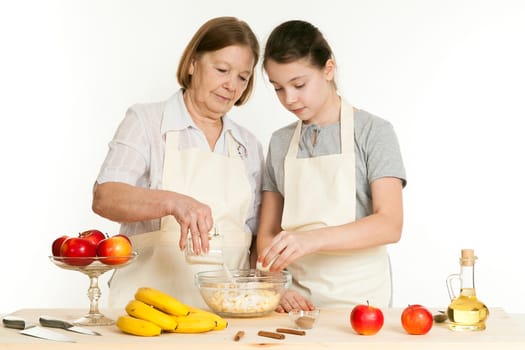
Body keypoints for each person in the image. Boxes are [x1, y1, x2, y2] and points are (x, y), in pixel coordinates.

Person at [92, 17, 264, 308]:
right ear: (193, 63)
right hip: (145, 310)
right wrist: (173, 202)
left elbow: (256, 235)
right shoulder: (145, 122)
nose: (231, 85)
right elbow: (105, 196)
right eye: (222, 70)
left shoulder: (249, 145)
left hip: (226, 311)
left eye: (242, 77)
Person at [256, 20, 407, 313]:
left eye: (299, 84)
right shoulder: (280, 143)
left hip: (362, 302)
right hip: (297, 306)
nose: (290, 99)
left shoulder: (373, 132)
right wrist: (277, 285)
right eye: (278, 88)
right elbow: (267, 233)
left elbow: (390, 223)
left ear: (328, 69)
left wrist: (313, 239)